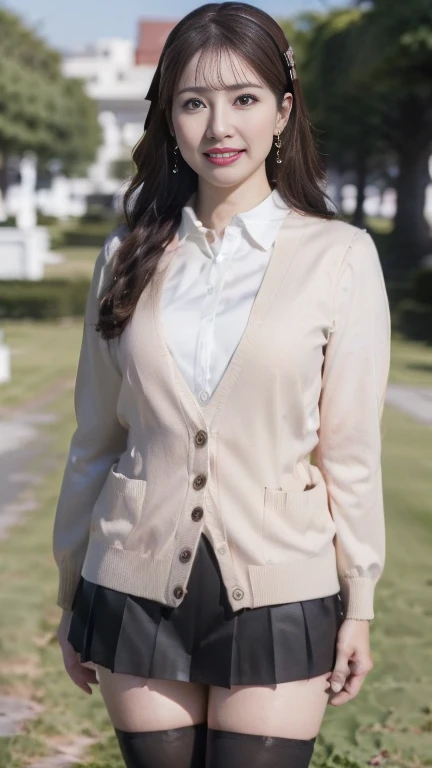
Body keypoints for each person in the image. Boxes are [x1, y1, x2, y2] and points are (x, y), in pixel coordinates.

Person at [53, 3, 391, 767]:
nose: (219, 127)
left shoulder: (340, 257)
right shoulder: (126, 255)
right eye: (194, 102)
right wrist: (73, 590)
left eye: (244, 99)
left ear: (283, 111)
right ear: (169, 117)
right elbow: (94, 439)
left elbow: (351, 454)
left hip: (281, 588)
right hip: (130, 582)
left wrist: (359, 601)